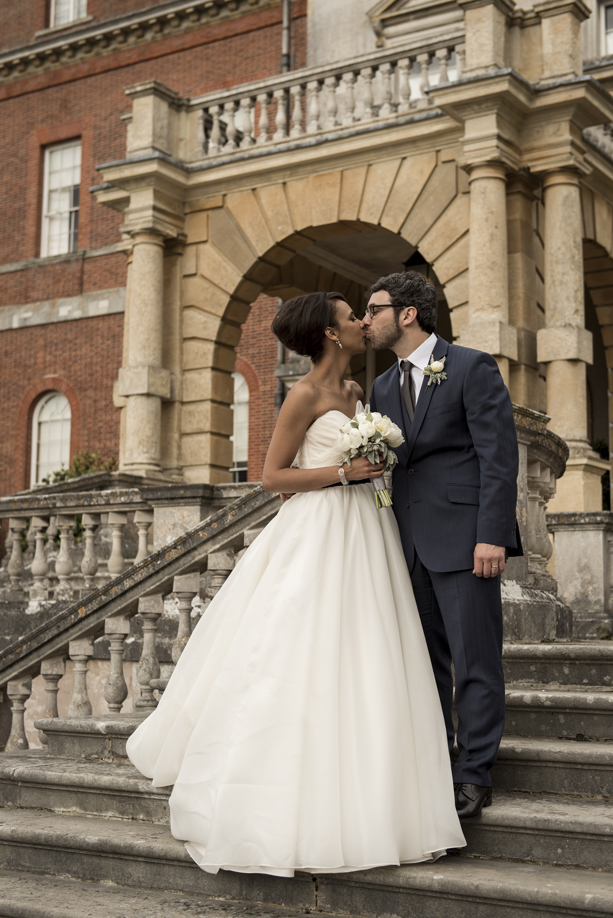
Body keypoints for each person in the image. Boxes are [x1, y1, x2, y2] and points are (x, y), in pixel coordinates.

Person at [127, 290, 465, 877]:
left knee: (371, 652)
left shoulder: (358, 392)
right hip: (319, 531)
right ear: (331, 334)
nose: (362, 322)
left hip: (369, 530)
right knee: (301, 651)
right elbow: (272, 478)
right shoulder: (303, 395)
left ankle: (376, 791)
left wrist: (371, 469)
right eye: (349, 317)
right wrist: (344, 471)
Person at [364, 272, 521, 821]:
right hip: (407, 546)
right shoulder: (381, 387)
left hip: (465, 541)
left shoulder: (472, 367)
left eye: (374, 309)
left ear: (407, 313)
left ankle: (475, 778)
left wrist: (491, 534)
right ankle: (436, 768)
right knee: (425, 665)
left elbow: (498, 459)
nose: (366, 319)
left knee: (476, 660)